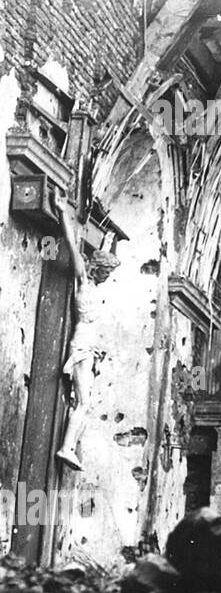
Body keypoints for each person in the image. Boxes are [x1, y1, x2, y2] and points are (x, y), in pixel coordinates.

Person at [53, 193, 118, 471]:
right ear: (96, 268)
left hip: (89, 349)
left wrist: (109, 239)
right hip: (81, 345)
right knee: (84, 402)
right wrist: (61, 209)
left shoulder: (97, 288)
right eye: (105, 272)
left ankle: (70, 447)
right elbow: (71, 243)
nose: (107, 278)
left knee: (85, 403)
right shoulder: (83, 281)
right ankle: (66, 448)